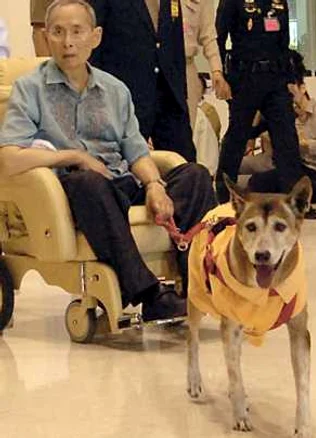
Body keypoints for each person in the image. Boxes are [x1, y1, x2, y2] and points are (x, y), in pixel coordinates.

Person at [0, 0, 216, 321]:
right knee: (86, 182)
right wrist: (75, 156)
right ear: (46, 37)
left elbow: (136, 150)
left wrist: (155, 184)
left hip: (122, 182)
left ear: (96, 37)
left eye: (77, 32)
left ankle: (198, 284)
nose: (68, 42)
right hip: (75, 191)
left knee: (194, 175)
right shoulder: (30, 90)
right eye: (58, 32)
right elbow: (9, 159)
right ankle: (148, 293)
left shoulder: (115, 90)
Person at [214, 0, 304, 203]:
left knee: (287, 138)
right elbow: (218, 39)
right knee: (237, 136)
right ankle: (223, 195)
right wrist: (221, 76)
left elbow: (284, 41)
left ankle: (296, 200)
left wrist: (290, 79)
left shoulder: (279, 1)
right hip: (245, 77)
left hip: (276, 78)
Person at [89, 0, 197, 162]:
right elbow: (93, 46)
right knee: (124, 166)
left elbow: (175, 41)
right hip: (127, 95)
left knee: (186, 164)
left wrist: (181, 93)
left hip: (169, 93)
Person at [248, 56, 316, 205]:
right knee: (259, 181)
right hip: (298, 169)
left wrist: (305, 144)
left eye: (290, 95)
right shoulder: (284, 115)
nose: (288, 100)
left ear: (302, 88)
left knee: (306, 187)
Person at [182, 0, 231, 130]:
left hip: (186, 67)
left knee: (186, 131)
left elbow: (209, 36)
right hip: (156, 68)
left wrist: (216, 71)